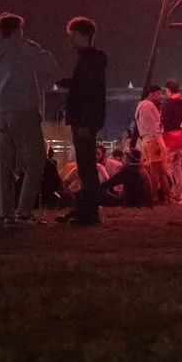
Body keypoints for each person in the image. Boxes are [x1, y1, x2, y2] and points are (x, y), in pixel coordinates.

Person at [0, 13, 61, 225]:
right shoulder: (22, 49)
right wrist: (35, 46)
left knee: (5, 164)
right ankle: (23, 211)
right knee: (36, 161)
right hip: (24, 110)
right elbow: (50, 65)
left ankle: (6, 212)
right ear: (16, 31)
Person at [60, 16, 109, 225]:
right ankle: (84, 209)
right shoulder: (91, 60)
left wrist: (86, 122)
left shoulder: (89, 61)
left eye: (72, 35)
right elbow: (88, 89)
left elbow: (90, 94)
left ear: (82, 36)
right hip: (85, 119)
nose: (70, 40)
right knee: (84, 167)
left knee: (86, 168)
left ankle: (89, 213)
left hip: (84, 120)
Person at [133, 85, 171, 204]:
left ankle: (167, 197)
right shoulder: (148, 105)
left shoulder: (141, 105)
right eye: (158, 93)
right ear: (151, 94)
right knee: (156, 170)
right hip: (153, 139)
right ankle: (154, 197)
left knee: (160, 170)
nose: (160, 96)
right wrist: (157, 142)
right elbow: (153, 125)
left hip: (147, 139)